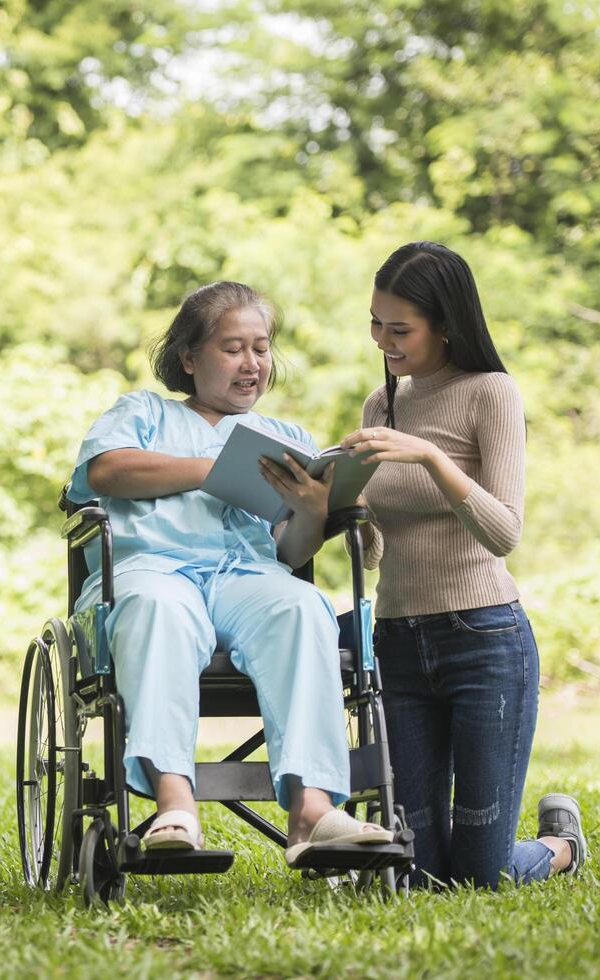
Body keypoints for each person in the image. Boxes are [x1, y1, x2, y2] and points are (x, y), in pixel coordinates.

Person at [69, 280, 391, 866]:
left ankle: (311, 811)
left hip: (244, 578)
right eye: (233, 348)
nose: (252, 364)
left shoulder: (287, 438)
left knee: (300, 605)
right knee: (158, 608)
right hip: (152, 570)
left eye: (262, 348)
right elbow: (108, 471)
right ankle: (174, 805)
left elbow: (289, 553)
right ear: (189, 359)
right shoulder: (143, 412)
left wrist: (314, 511)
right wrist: (209, 468)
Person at [339, 241, 588, 889]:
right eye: (374, 324)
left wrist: (427, 458)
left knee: (481, 875)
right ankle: (513, 848)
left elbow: (503, 530)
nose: (382, 342)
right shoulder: (379, 405)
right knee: (420, 876)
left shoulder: (490, 394)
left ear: (445, 325)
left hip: (483, 641)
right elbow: (369, 554)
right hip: (395, 642)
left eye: (399, 329)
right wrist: (342, 505)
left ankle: (559, 846)